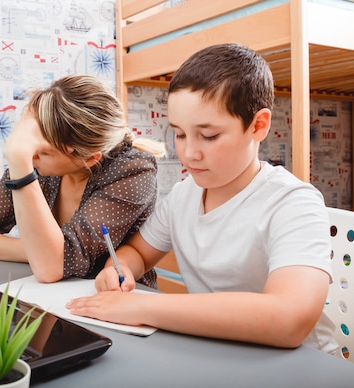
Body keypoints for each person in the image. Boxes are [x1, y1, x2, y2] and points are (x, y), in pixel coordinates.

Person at [66, 43, 338, 353]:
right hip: (223, 352)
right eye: (180, 134)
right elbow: (138, 253)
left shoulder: (293, 203)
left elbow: (289, 320)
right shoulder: (184, 195)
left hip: (302, 366)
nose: (188, 153)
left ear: (258, 125)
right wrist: (120, 269)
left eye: (208, 136)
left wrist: (139, 307)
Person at [0, 74, 166, 286]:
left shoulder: (133, 171)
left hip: (115, 302)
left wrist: (46, 254)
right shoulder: (39, 166)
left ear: (89, 159)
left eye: (43, 153)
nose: (29, 156)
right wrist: (38, 251)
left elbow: (51, 268)